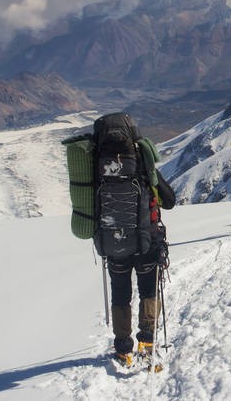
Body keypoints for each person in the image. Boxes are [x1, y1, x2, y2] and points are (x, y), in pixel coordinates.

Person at [94, 113, 176, 367]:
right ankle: (147, 343)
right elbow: (169, 200)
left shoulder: (97, 168)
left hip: (113, 243)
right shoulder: (142, 163)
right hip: (146, 242)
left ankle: (122, 349)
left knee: (120, 294)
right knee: (148, 291)